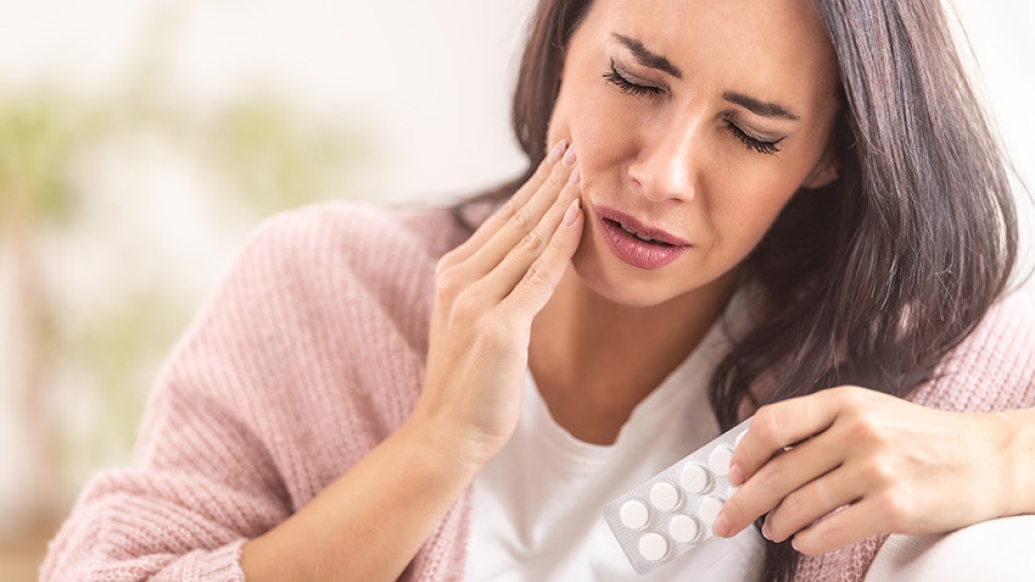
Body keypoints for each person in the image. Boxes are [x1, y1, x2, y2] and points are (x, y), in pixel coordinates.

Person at [42, 0, 1035, 580]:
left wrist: (1001, 452)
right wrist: (434, 451)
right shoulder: (322, 286)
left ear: (826, 157)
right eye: (637, 81)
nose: (662, 173)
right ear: (563, 43)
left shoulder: (914, 353)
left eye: (752, 131)